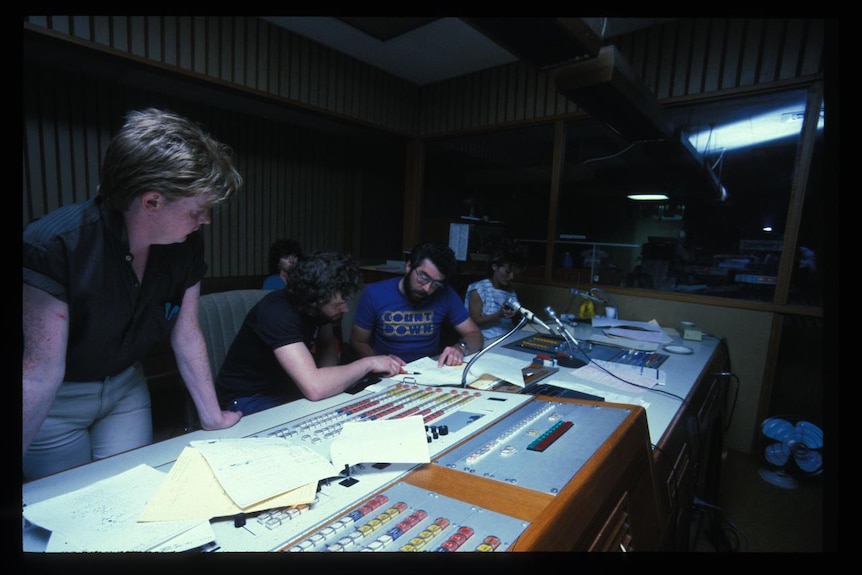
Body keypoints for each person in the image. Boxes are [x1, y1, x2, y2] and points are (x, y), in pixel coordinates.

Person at [23, 108, 245, 481]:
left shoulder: (185, 245)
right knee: (69, 504)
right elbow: (39, 373)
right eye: (199, 210)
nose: (205, 220)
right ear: (152, 202)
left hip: (126, 387)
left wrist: (212, 416)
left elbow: (187, 333)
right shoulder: (55, 245)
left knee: (131, 488)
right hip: (60, 400)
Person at [216, 251, 405, 416]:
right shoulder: (277, 312)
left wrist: (329, 381)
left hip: (286, 389)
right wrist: (369, 362)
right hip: (247, 397)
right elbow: (315, 388)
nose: (346, 309)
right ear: (315, 300)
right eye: (338, 304)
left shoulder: (317, 309)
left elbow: (327, 344)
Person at [350, 241, 483, 366]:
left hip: (429, 369)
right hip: (387, 370)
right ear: (408, 266)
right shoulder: (375, 293)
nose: (427, 288)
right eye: (423, 277)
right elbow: (358, 342)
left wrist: (460, 348)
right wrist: (376, 363)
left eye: (436, 284)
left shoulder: (446, 293)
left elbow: (475, 335)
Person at [464, 241, 527, 342]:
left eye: (515, 273)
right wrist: (498, 315)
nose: (511, 277)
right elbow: (474, 321)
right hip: (484, 340)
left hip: (508, 338)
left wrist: (515, 314)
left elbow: (514, 321)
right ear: (495, 267)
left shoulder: (511, 291)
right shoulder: (479, 289)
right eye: (508, 272)